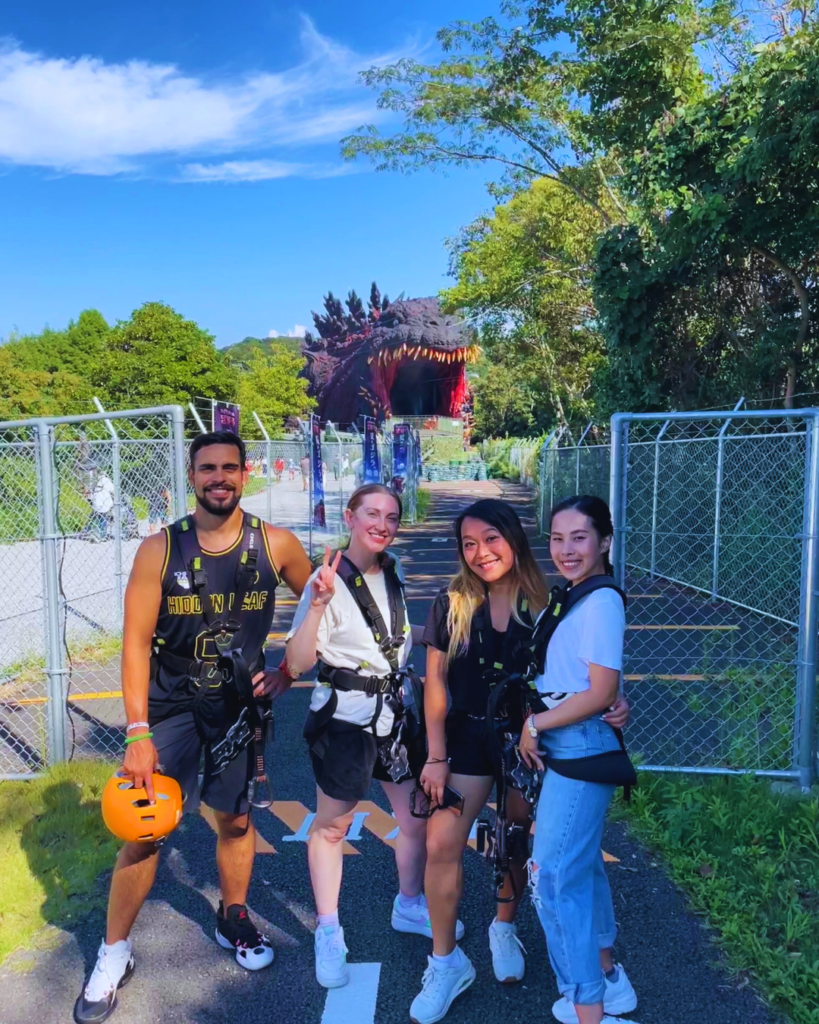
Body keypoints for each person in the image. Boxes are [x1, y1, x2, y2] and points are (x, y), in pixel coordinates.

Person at [73, 431, 312, 1024]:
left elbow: (321, 608)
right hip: (170, 703)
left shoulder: (276, 544)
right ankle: (114, 952)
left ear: (245, 473)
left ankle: (232, 917)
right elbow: (133, 643)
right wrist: (135, 730)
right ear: (191, 476)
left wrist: (289, 670)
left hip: (237, 702)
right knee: (145, 827)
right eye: (208, 468)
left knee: (234, 820)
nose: (220, 478)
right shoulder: (160, 549)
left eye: (230, 467)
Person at [410, 499, 629, 1024]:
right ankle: (445, 962)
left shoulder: (548, 601)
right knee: (442, 841)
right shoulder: (453, 603)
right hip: (464, 739)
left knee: (514, 834)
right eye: (468, 543)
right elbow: (435, 684)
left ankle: (503, 928)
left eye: (491, 539)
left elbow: (585, 672)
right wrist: (435, 755)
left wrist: (615, 700)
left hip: (526, 740)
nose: (480, 552)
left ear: (514, 538)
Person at [285, 484, 461, 990]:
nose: (381, 524)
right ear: (350, 516)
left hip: (394, 715)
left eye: (391, 516)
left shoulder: (395, 568)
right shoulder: (326, 581)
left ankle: (408, 904)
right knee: (331, 827)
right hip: (345, 721)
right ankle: (329, 928)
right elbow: (297, 663)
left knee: (413, 819)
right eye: (371, 514)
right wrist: (317, 605)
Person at [519, 495, 638, 1024]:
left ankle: (586, 1003)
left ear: (605, 541)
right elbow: (593, 681)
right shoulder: (573, 594)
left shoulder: (600, 600)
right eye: (557, 538)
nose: (565, 549)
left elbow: (599, 689)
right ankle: (608, 981)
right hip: (573, 740)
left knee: (551, 879)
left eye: (579, 538)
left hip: (577, 747)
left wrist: (535, 724)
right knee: (582, 868)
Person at [85, 471, 115, 541]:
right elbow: (113, 490)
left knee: (96, 517)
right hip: (105, 504)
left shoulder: (94, 481)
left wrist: (90, 500)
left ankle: (91, 531)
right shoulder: (106, 480)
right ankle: (102, 535)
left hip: (96, 504)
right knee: (103, 519)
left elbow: (90, 495)